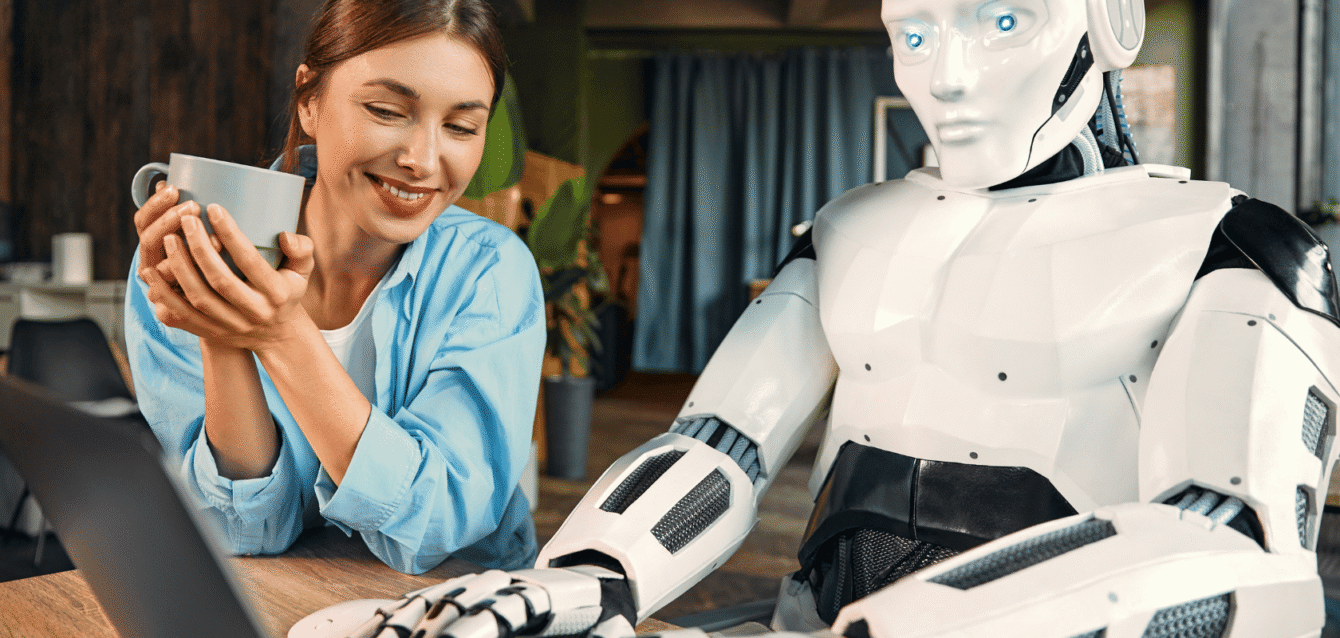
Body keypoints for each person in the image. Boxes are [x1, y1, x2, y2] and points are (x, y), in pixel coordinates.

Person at [341, 0, 1340, 637]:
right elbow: (718, 446)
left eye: (1002, 22)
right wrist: (593, 575)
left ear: (1109, 21)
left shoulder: (1231, 244)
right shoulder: (848, 228)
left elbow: (1237, 547)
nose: (946, 76)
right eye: (916, 34)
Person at [125, 0, 544, 575]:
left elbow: (440, 523)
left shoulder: (489, 272)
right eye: (386, 110)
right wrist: (221, 335)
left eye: (461, 127)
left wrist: (282, 336)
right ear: (310, 101)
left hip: (460, 599)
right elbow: (240, 529)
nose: (422, 160)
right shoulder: (192, 260)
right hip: (284, 597)